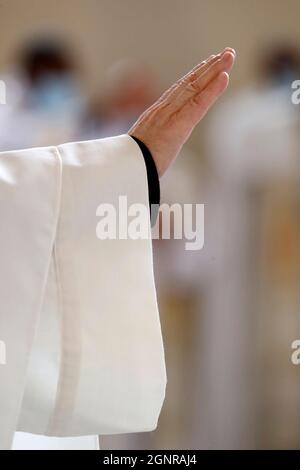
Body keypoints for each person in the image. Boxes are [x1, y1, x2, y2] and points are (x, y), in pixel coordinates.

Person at [0, 48, 236, 450]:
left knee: (156, 401)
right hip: (93, 294)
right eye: (127, 92)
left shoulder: (172, 159)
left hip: (154, 286)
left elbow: (195, 232)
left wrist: (148, 198)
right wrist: (129, 170)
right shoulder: (76, 141)